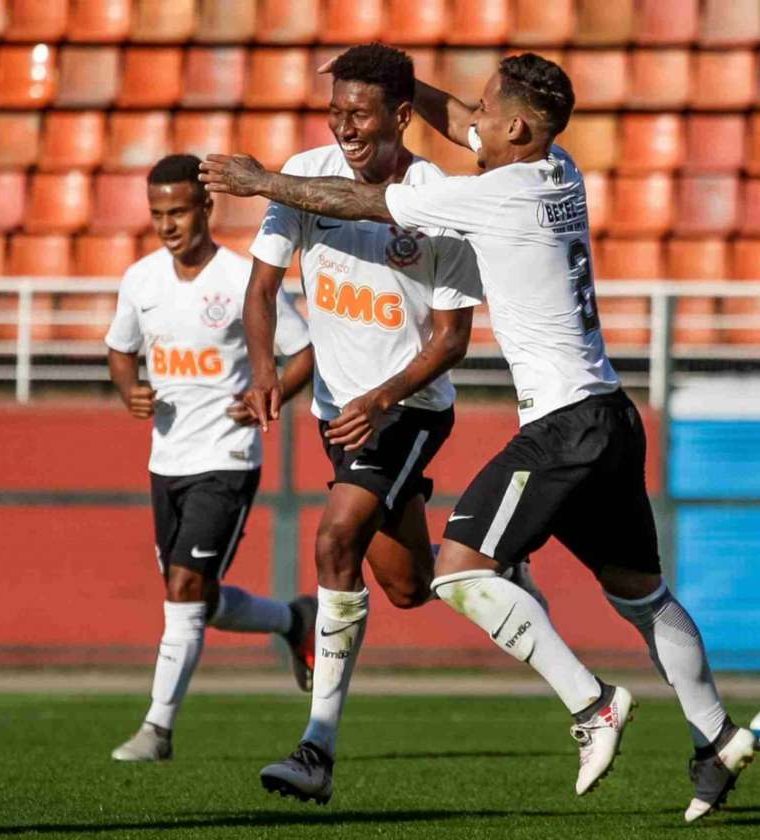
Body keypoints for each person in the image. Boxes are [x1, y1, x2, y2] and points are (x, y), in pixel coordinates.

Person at [199, 53, 755, 821]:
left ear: (516, 128)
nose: (469, 117)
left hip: (563, 426)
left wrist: (262, 181)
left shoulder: (491, 199)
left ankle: (592, 706)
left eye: (485, 109)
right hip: (611, 418)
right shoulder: (558, 169)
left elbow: (358, 201)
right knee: (644, 597)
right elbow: (458, 120)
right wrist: (403, 78)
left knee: (459, 571)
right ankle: (716, 738)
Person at [222, 42, 505, 806]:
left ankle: (317, 748)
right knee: (409, 585)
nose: (344, 124)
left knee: (333, 538)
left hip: (407, 411)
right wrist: (262, 372)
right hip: (338, 416)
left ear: (402, 115)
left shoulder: (438, 198)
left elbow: (450, 342)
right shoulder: (304, 175)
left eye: (360, 111)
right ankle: (491, 564)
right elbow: (261, 291)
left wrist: (380, 399)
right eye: (335, 109)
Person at [106, 154, 316, 762]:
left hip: (226, 456)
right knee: (194, 598)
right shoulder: (141, 280)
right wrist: (129, 390)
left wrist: (266, 395)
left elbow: (301, 353)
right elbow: (121, 351)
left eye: (177, 211)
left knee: (184, 585)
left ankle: (157, 729)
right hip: (165, 459)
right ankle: (292, 620)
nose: (167, 225)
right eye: (157, 214)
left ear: (206, 208)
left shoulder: (241, 278)